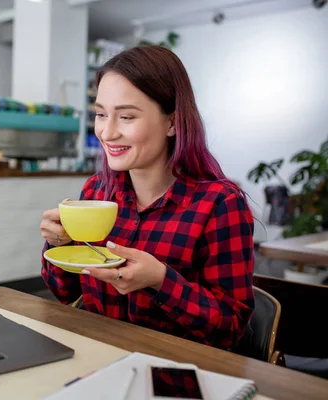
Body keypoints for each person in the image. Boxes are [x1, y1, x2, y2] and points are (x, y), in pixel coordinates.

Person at [40, 45, 255, 350]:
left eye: (126, 117)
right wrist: (58, 243)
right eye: (101, 114)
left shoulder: (219, 204)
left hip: (173, 375)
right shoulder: (95, 193)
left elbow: (230, 328)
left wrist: (161, 280)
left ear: (172, 122)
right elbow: (65, 293)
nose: (107, 132)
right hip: (97, 359)